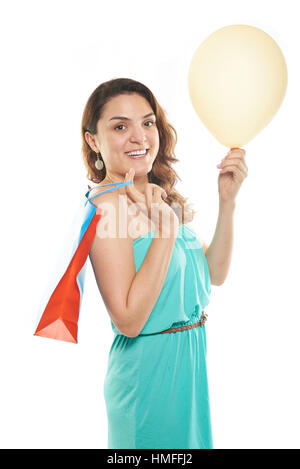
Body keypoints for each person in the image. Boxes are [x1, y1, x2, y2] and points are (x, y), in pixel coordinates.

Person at [82, 78, 248, 449]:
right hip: (148, 379)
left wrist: (227, 202)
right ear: (94, 140)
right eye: (120, 126)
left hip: (188, 366)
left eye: (148, 122)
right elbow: (128, 320)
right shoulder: (107, 207)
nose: (139, 137)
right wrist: (166, 230)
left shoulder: (156, 195)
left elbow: (214, 274)